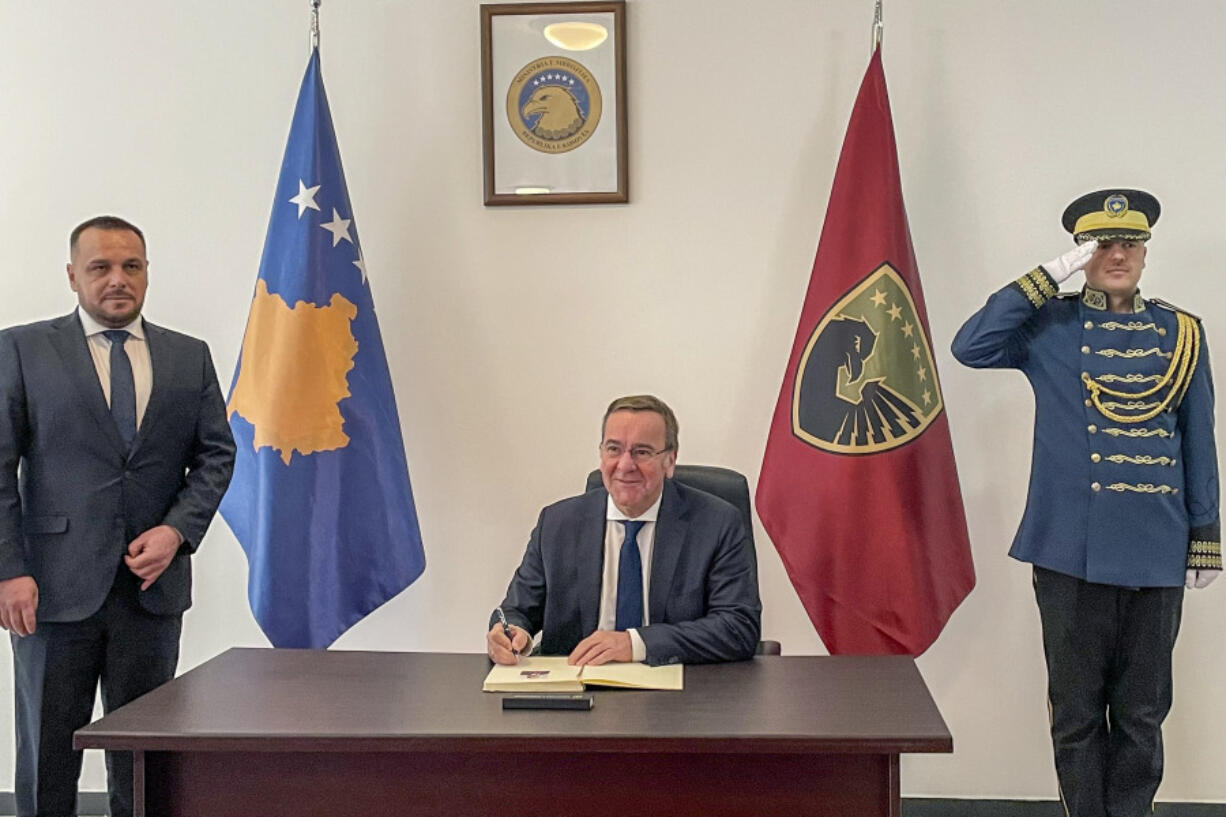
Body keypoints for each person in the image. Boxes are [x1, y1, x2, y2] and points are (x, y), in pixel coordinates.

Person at [951, 189, 1219, 817]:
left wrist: (1204, 530)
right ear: (1084, 252)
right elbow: (971, 345)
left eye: (1129, 243)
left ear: (1147, 252)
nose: (1117, 253)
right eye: (1101, 244)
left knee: (1143, 714)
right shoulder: (1052, 326)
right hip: (1071, 546)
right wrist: (1049, 277)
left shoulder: (1182, 334)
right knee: (1074, 713)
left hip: (1156, 546)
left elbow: (1197, 439)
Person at [0, 216, 236, 817]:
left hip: (150, 596)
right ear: (73, 275)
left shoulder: (189, 357)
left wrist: (178, 531)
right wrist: (9, 570)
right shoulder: (22, 349)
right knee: (47, 757)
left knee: (146, 760)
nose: (117, 280)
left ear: (147, 273)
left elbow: (216, 455)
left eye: (131, 266)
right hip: (50, 593)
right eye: (100, 267)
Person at [487, 394, 761, 667]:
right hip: (577, 689)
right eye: (614, 449)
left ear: (670, 461)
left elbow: (738, 627)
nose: (625, 465)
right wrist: (510, 632)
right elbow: (517, 610)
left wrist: (635, 643)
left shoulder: (716, 523)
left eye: (642, 452)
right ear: (601, 454)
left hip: (677, 693)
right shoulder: (557, 523)